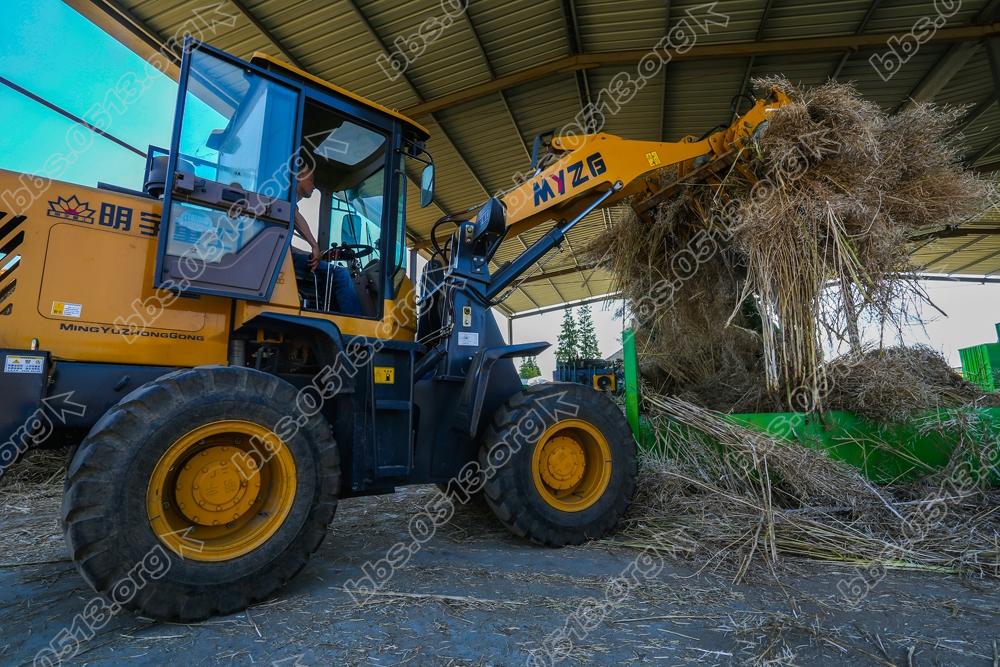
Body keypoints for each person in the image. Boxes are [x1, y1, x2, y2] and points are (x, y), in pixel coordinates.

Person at [292, 163, 363, 316]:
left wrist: (317, 255)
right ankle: (354, 322)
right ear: (298, 177)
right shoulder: (286, 199)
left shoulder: (282, 205)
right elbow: (295, 215)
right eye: (311, 181)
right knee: (341, 274)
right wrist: (314, 246)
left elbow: (286, 250)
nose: (314, 186)